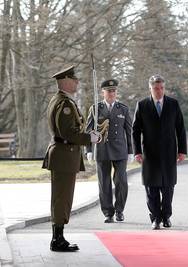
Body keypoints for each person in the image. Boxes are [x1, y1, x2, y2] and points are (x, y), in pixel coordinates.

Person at [42, 65, 101, 252]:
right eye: (74, 79)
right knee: (62, 198)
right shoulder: (65, 104)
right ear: (66, 81)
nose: (77, 82)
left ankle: (58, 237)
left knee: (61, 197)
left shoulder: (59, 100)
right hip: (64, 155)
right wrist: (89, 138)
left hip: (62, 154)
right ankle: (57, 240)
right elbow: (68, 132)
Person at [132, 74, 187, 230]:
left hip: (169, 153)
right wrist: (137, 151)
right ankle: (155, 218)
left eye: (162, 88)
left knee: (168, 187)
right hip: (149, 153)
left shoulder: (173, 104)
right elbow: (135, 131)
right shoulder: (142, 105)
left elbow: (180, 129)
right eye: (156, 88)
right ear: (150, 88)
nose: (159, 91)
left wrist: (182, 150)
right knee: (151, 188)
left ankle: (166, 216)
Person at [86, 79, 133, 223]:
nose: (112, 93)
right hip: (102, 149)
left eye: (114, 91)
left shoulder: (123, 109)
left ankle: (119, 211)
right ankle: (108, 212)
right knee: (104, 182)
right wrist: (88, 150)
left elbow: (129, 131)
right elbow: (89, 130)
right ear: (103, 92)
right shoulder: (95, 108)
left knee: (122, 181)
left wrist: (131, 151)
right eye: (109, 91)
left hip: (120, 150)